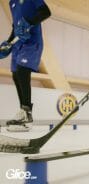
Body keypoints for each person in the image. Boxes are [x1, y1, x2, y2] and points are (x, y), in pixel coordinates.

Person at [0, 0, 51, 132]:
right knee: (16, 75)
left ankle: (27, 114)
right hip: (18, 44)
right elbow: (15, 27)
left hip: (32, 42)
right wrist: (9, 43)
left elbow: (46, 12)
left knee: (23, 71)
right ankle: (24, 112)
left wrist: (29, 22)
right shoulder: (12, 3)